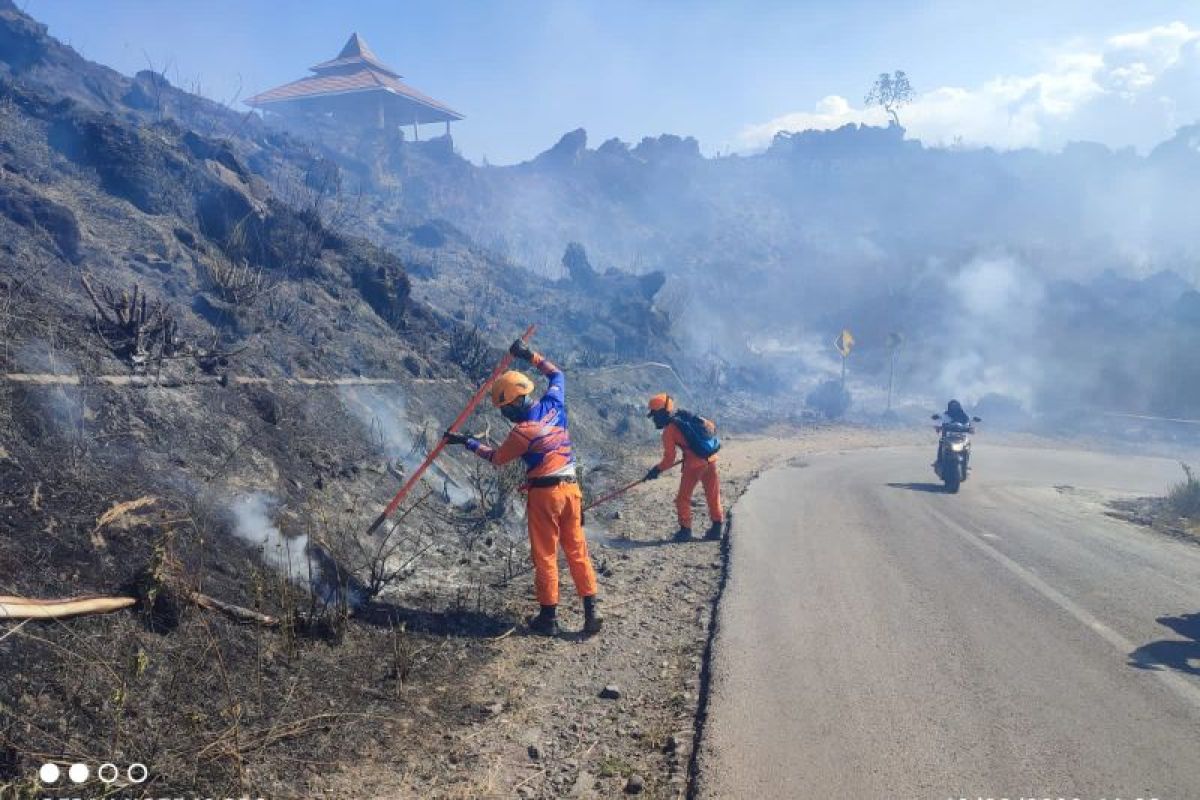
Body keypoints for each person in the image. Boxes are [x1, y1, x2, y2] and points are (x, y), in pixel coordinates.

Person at [445, 339, 601, 637]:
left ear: (516, 401)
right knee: (577, 552)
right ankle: (591, 612)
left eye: (505, 409)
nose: (505, 416)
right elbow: (557, 375)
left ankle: (548, 619)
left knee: (545, 556)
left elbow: (497, 458)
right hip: (572, 491)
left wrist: (467, 442)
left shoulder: (523, 431)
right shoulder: (554, 404)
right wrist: (530, 355)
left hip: (546, 496)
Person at [643, 393, 724, 542]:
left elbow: (669, 459)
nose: (654, 419)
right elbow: (711, 428)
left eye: (655, 415)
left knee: (682, 499)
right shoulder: (689, 417)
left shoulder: (669, 430)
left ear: (663, 412)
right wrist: (693, 448)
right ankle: (717, 528)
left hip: (694, 466)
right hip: (711, 460)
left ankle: (685, 531)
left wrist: (656, 470)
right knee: (713, 495)